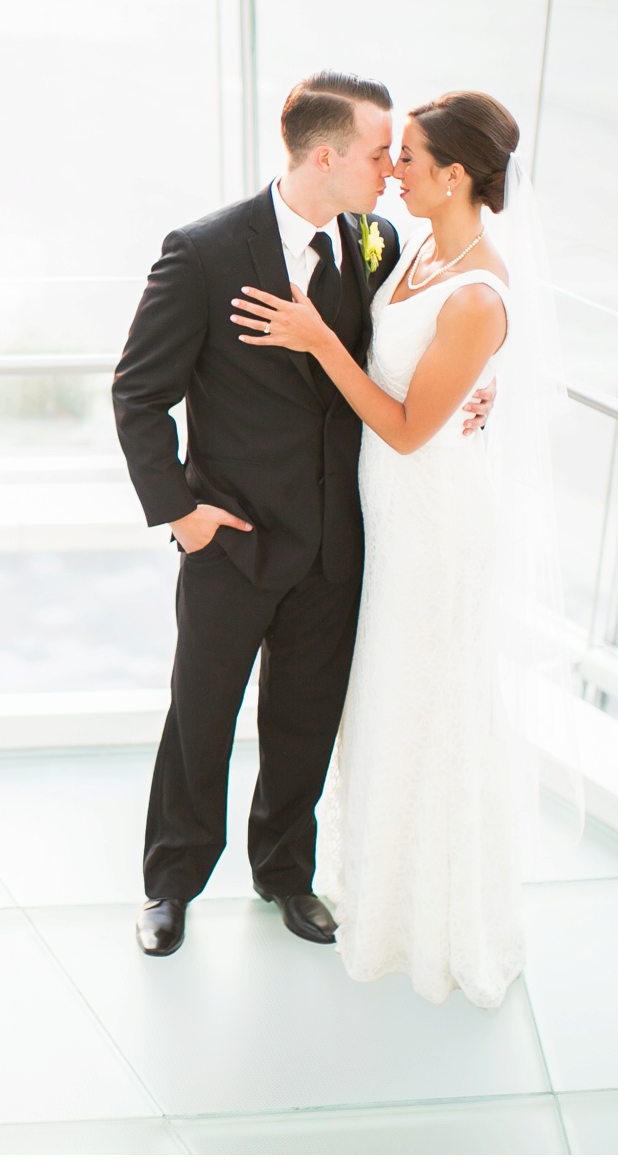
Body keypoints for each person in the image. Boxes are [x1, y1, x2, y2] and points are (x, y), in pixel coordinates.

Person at [111, 72, 492, 957]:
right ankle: (170, 885)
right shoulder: (203, 252)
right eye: (374, 152)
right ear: (324, 157)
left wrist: (482, 388)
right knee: (200, 717)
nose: (390, 167)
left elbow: (415, 349)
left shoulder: (378, 240)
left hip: (337, 543)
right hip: (231, 543)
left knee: (304, 724)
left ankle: (285, 873)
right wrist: (183, 512)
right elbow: (138, 393)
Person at [230, 90, 555, 1008]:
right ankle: (384, 888)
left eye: (408, 158)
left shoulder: (478, 291)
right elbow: (431, 379)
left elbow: (411, 427)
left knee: (430, 702)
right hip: (394, 521)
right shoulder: (419, 249)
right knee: (386, 697)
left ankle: (435, 912)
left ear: (457, 175)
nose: (393, 171)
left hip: (437, 525)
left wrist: (319, 339)